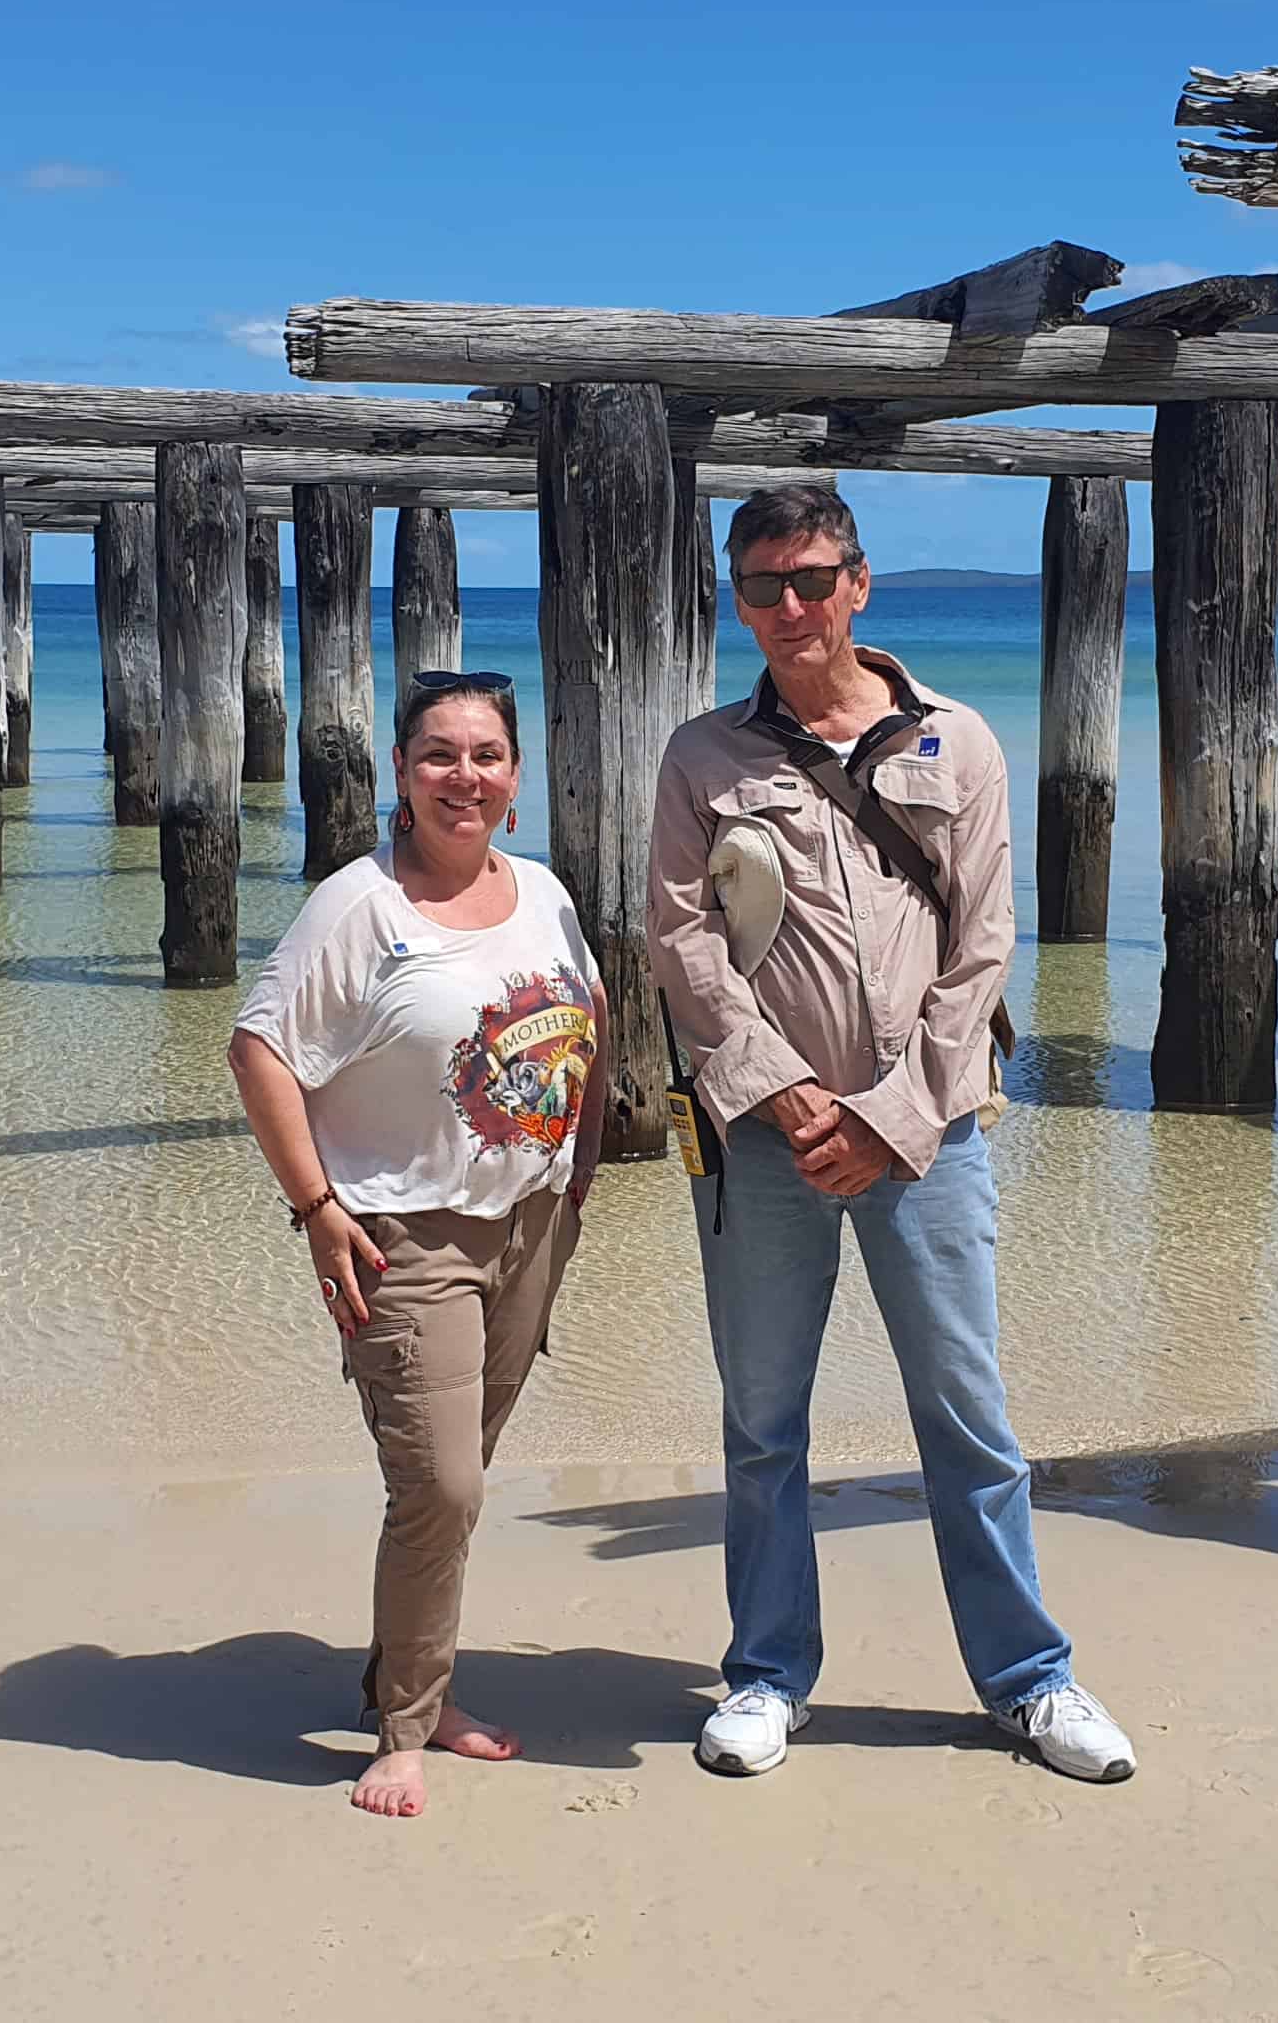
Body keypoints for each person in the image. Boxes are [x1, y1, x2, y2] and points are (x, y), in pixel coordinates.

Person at [646, 483, 1135, 1785]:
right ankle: (767, 1676)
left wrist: (892, 1116)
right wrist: (784, 1092)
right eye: (764, 587)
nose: (791, 607)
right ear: (739, 600)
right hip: (764, 1141)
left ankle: (1030, 1682)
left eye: (813, 580)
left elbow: (983, 948)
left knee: (968, 1417)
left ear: (859, 584)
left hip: (928, 1139)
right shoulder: (701, 756)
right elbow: (683, 944)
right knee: (763, 1422)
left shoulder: (956, 741)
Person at [229, 670, 606, 1819]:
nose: (464, 777)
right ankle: (405, 1726)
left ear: (515, 774)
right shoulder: (361, 906)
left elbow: (591, 1022)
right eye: (440, 754)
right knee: (440, 1485)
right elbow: (259, 1049)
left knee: (453, 1484)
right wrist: (316, 1209)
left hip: (529, 1227)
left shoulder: (543, 892)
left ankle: (408, 1678)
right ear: (401, 769)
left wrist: (577, 1184)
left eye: (486, 755)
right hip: (403, 1238)